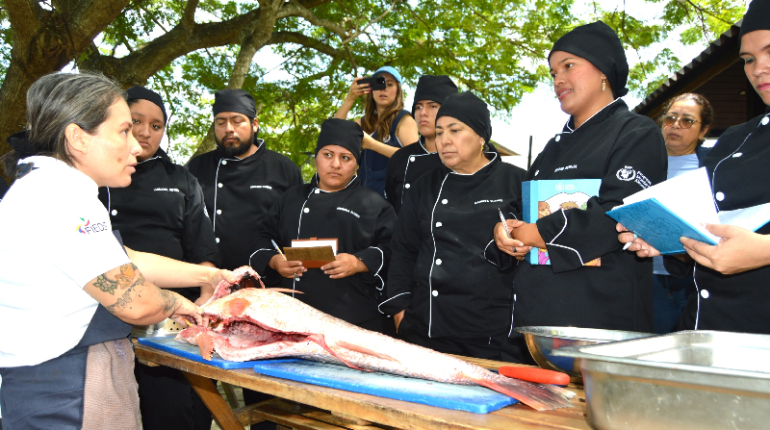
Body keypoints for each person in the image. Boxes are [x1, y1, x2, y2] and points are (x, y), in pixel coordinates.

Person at [0, 72, 234, 430]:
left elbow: (127, 259)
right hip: (64, 391)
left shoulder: (46, 188)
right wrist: (178, 303)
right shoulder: (61, 197)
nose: (137, 146)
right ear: (77, 137)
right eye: (124, 130)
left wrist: (210, 275)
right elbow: (136, 302)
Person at [492, 21, 667, 334]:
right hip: (535, 315)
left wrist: (534, 234)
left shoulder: (636, 133)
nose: (558, 79)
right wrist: (503, 230)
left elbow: (620, 213)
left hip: (601, 317)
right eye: (553, 72)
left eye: (568, 66)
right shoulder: (552, 148)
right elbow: (519, 207)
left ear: (603, 71)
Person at [619, 0, 770, 335]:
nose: (759, 68)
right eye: (748, 59)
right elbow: (710, 237)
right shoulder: (733, 140)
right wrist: (673, 240)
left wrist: (763, 251)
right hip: (706, 330)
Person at [98, 86, 221, 430]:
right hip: (103, 315)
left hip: (168, 319)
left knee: (173, 410)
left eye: (156, 126)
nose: (144, 132)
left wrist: (202, 302)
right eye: (135, 121)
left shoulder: (181, 179)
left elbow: (203, 251)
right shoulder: (94, 180)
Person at [186, 88, 302, 429]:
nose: (229, 129)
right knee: (201, 381)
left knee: (262, 389)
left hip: (261, 291)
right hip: (209, 287)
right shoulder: (198, 167)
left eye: (237, 121)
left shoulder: (283, 169)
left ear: (254, 123)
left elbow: (292, 230)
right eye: (221, 122)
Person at [380, 91, 527, 360]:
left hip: (492, 336)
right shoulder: (425, 185)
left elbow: (537, 249)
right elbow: (403, 250)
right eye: (439, 132)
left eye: (455, 130)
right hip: (426, 329)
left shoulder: (516, 182)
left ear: (482, 135)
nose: (444, 140)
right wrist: (400, 310)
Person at [250, 118, 397, 333]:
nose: (335, 164)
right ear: (316, 157)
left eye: (345, 157)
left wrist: (359, 262)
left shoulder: (375, 204)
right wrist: (274, 261)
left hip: (353, 322)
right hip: (291, 320)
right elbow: (262, 238)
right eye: (328, 155)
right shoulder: (290, 198)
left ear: (357, 164)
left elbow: (395, 249)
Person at [650, 93, 713, 334]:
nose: (676, 125)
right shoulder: (641, 162)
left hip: (696, 277)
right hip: (648, 275)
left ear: (703, 129)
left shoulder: (715, 165)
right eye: (670, 118)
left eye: (687, 120)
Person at [334, 66, 419, 197]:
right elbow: (335, 131)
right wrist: (350, 98)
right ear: (371, 90)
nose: (383, 89)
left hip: (393, 201)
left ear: (398, 91)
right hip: (364, 199)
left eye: (389, 84)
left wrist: (372, 145)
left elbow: (414, 157)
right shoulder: (363, 122)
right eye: (379, 84)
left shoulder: (404, 120)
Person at [385, 75, 458, 213]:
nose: (423, 113)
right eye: (418, 107)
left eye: (432, 106)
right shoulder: (399, 159)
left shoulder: (470, 158)